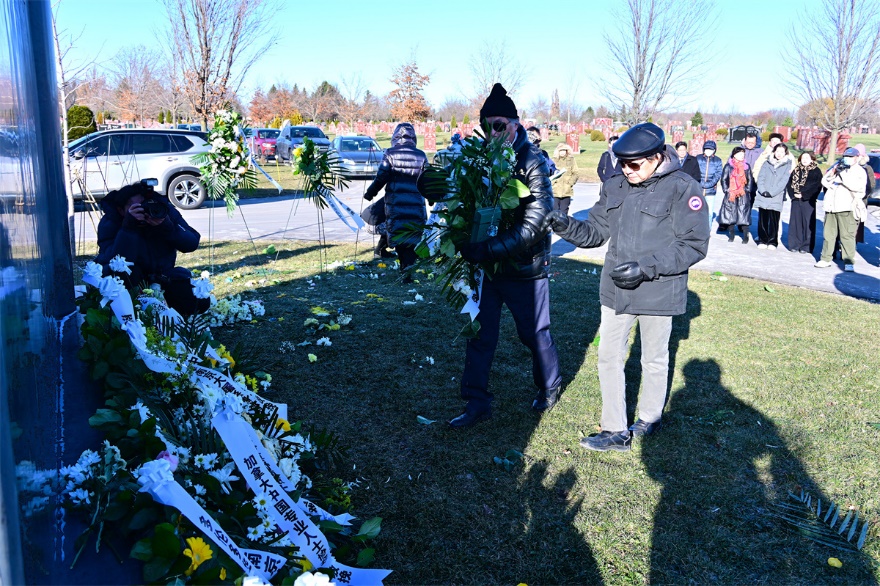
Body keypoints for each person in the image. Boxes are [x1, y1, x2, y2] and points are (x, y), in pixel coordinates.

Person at [541, 122, 710, 452]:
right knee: (608, 356)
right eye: (621, 163)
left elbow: (694, 244)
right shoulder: (615, 185)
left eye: (633, 164)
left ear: (657, 157)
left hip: (659, 289)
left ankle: (648, 417)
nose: (626, 170)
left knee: (654, 359)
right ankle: (615, 430)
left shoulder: (683, 188)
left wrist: (647, 267)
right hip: (616, 290)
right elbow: (594, 232)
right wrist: (563, 225)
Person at [448, 83, 561, 428]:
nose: (492, 132)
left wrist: (489, 249)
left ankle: (549, 387)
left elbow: (536, 222)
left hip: (526, 266)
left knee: (534, 333)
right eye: (486, 125)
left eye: (499, 125)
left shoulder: (533, 161)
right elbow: (464, 201)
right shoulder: (479, 157)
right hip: (488, 269)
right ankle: (476, 400)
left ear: (515, 124)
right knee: (480, 334)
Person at [96, 180, 208, 316]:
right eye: (138, 207)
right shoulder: (111, 222)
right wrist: (128, 228)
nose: (145, 211)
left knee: (199, 300)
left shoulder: (163, 211)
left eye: (147, 206)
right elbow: (116, 262)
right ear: (121, 210)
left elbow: (191, 243)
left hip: (163, 277)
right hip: (127, 282)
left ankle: (172, 316)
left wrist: (168, 228)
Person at [364, 122, 428, 273]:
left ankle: (404, 267)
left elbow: (381, 177)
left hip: (396, 203)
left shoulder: (390, 154)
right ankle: (408, 267)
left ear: (395, 136)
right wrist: (431, 198)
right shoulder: (421, 155)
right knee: (412, 235)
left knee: (399, 234)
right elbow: (428, 180)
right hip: (416, 204)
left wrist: (370, 193)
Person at [815, 147, 867, 272]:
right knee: (828, 235)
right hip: (831, 207)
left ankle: (849, 261)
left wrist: (842, 175)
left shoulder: (859, 171)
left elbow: (857, 187)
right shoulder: (838, 166)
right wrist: (832, 174)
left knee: (846, 236)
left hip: (847, 207)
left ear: (856, 158)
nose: (847, 159)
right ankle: (825, 258)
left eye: (850, 157)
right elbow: (825, 181)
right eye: (845, 157)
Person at [754, 143, 793, 249]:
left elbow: (784, 180)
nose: (779, 154)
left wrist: (772, 192)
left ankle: (772, 241)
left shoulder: (787, 164)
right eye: (777, 151)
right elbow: (761, 176)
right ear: (774, 152)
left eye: (782, 152)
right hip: (763, 194)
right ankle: (762, 240)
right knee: (763, 219)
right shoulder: (767, 162)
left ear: (785, 153)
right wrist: (762, 190)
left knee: (774, 219)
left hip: (776, 195)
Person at [785, 151, 823, 254]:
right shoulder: (796, 170)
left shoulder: (816, 171)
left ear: (812, 159)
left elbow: (817, 186)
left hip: (808, 200)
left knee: (807, 223)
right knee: (795, 222)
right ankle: (794, 244)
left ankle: (806, 246)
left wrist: (804, 194)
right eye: (803, 157)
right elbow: (789, 184)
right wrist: (793, 194)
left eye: (807, 157)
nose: (805, 159)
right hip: (796, 200)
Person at [717, 147, 753, 243]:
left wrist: (747, 190)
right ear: (734, 155)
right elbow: (724, 179)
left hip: (743, 193)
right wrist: (726, 190)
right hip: (731, 193)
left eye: (743, 154)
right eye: (739, 154)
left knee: (743, 213)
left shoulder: (746, 166)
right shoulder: (728, 166)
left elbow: (750, 180)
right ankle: (731, 235)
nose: (742, 156)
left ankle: (745, 236)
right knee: (730, 213)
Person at [695, 140, 723, 225]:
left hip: (711, 191)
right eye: (707, 149)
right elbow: (695, 172)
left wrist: (709, 184)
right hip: (698, 189)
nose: (708, 151)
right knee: (696, 212)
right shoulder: (698, 158)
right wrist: (701, 183)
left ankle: (708, 230)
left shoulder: (718, 161)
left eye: (711, 149)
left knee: (709, 213)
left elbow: (718, 174)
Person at [551, 142, 579, 215]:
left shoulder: (571, 160)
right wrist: (552, 183)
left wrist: (570, 183)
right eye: (561, 150)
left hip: (566, 190)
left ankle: (563, 225)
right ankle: (555, 225)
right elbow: (548, 173)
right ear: (557, 151)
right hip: (555, 190)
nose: (562, 152)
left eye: (564, 150)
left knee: (564, 209)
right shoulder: (553, 160)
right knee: (555, 209)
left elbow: (576, 173)